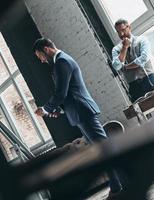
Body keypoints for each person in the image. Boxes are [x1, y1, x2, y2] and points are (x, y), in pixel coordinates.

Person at [33, 38, 122, 199]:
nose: (40, 60)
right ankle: (117, 186)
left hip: (82, 111)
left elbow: (61, 93)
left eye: (39, 55)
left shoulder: (61, 61)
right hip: (79, 111)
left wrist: (46, 108)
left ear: (46, 49)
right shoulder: (61, 61)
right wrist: (56, 110)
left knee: (104, 149)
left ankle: (118, 186)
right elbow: (68, 94)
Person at [112, 19, 154, 102]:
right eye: (118, 32)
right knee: (142, 113)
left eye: (123, 30)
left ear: (129, 27)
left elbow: (143, 58)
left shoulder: (142, 40)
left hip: (149, 78)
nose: (121, 34)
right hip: (134, 86)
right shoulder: (116, 49)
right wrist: (124, 47)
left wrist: (126, 67)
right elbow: (117, 66)